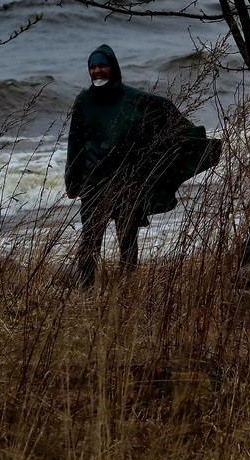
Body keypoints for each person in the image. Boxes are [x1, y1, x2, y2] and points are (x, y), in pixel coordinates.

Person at [64, 44, 219, 288]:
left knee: (127, 239)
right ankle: (86, 289)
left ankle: (126, 287)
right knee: (90, 240)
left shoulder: (134, 100)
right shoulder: (84, 101)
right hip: (93, 183)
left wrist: (191, 137)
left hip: (127, 182)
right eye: (92, 67)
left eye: (102, 65)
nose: (97, 71)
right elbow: (75, 141)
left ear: (113, 68)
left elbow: (163, 110)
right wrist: (71, 181)